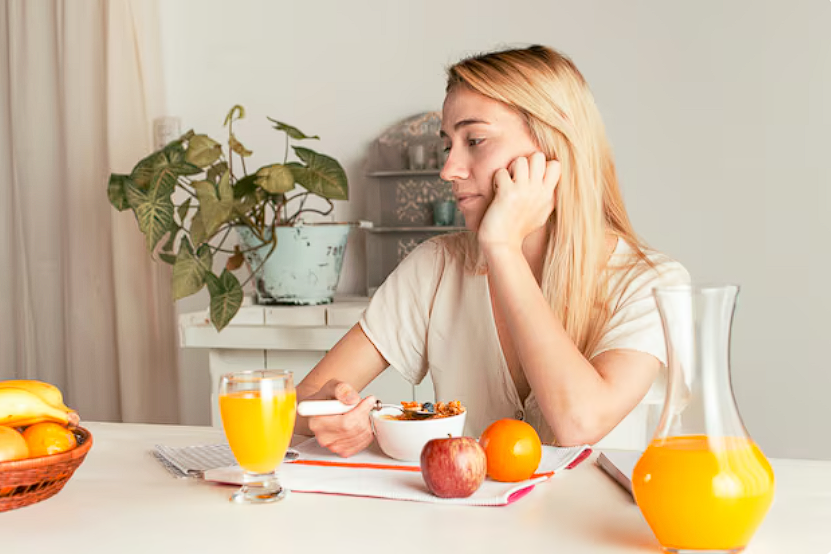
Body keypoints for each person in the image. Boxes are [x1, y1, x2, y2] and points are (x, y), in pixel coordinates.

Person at [294, 45, 689, 457]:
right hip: (463, 521)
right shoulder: (435, 267)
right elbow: (298, 406)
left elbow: (579, 423)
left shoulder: (651, 283)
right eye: (448, 145)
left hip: (594, 522)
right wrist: (329, 417)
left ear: (554, 146)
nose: (448, 169)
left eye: (475, 140)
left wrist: (502, 246)